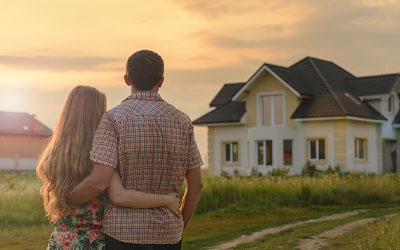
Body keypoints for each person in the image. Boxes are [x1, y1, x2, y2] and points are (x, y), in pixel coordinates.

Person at [68, 50, 204, 249]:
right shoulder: (182, 122)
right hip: (168, 234)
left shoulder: (113, 119)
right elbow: (196, 185)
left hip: (121, 234)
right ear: (161, 81)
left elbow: (100, 180)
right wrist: (179, 224)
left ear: (126, 79)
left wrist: (65, 199)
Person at [36, 86, 181, 250]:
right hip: (91, 243)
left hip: (61, 241)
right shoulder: (100, 152)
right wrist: (166, 199)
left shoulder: (55, 153)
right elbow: (120, 195)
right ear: (95, 115)